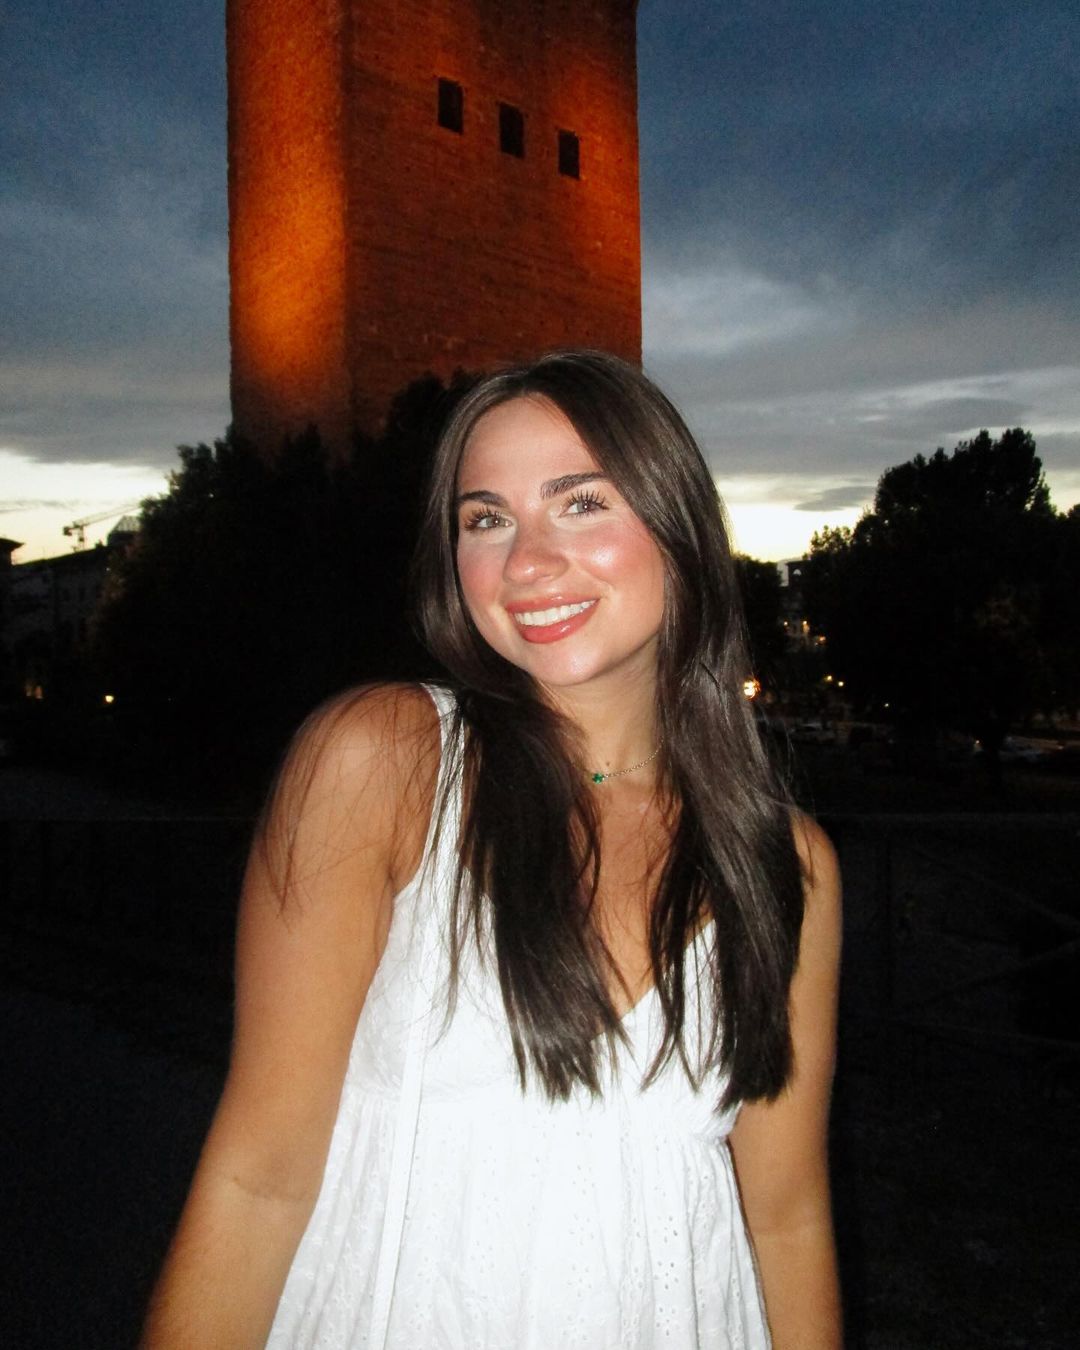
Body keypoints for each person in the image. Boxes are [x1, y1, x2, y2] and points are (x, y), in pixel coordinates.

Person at [142, 350, 842, 1349]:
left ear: (679, 527)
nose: (526, 562)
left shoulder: (785, 863)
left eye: (581, 503)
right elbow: (258, 1181)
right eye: (486, 519)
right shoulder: (385, 764)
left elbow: (786, 1217)